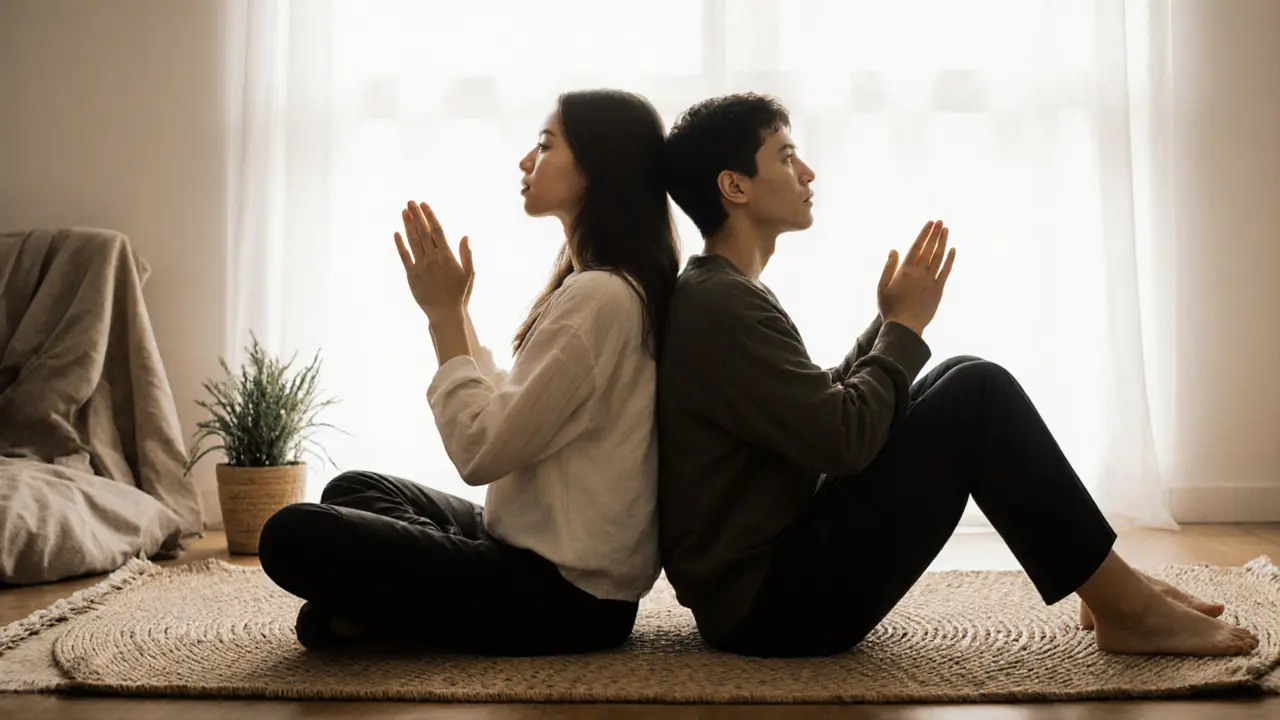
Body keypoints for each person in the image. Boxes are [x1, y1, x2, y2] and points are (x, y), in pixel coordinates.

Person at [655, 92, 1259, 659]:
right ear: (734, 185)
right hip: (770, 611)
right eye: (786, 157)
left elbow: (813, 418)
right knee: (975, 393)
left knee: (960, 373)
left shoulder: (724, 293)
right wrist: (904, 329)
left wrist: (888, 322)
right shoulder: (720, 305)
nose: (807, 172)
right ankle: (1124, 606)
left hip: (772, 586)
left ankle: (1107, 587)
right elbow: (844, 441)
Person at [257, 89, 680, 655]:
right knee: (353, 489)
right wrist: (453, 315)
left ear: (597, 166)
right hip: (530, 551)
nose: (526, 162)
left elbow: (480, 450)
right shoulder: (603, 286)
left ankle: (389, 607)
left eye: (545, 145)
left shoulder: (601, 297)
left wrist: (443, 317)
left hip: (567, 599)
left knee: (291, 534)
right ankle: (396, 605)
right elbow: (516, 411)